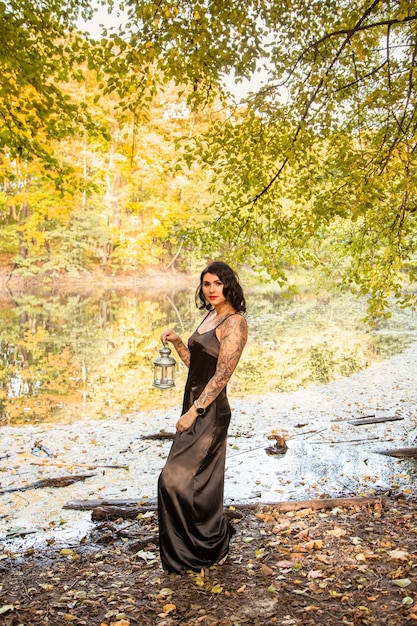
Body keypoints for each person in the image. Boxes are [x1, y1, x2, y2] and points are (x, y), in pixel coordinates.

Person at [158, 261, 248, 574]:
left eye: (217, 284)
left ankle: (205, 546)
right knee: (196, 482)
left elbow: (223, 373)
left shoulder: (234, 323)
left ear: (228, 286)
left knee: (174, 479)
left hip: (209, 413)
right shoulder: (210, 316)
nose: (210, 289)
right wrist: (180, 343)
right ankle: (200, 547)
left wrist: (194, 411)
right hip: (193, 407)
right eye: (206, 284)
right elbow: (196, 364)